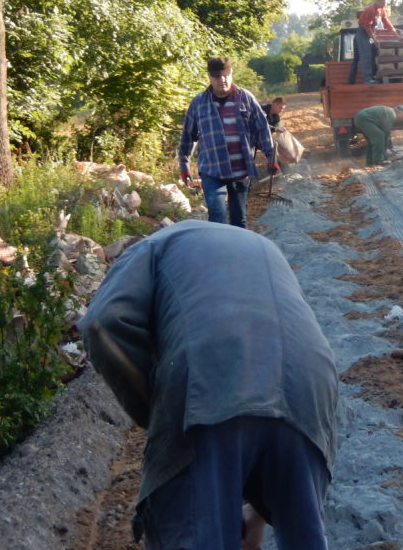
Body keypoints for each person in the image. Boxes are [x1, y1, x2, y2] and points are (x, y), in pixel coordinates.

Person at [79, 221, 338, 550]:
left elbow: (100, 323)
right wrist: (258, 513)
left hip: (208, 379)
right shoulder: (262, 246)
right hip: (311, 380)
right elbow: (271, 407)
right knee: (305, 536)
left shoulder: (151, 247)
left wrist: (152, 408)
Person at [179, 57, 277, 228]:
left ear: (231, 74)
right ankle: (219, 254)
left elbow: (261, 129)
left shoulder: (245, 98)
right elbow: (189, 135)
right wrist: (184, 165)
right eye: (217, 77)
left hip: (240, 170)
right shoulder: (198, 103)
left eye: (225, 75)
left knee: (239, 219)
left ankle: (239, 253)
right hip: (212, 169)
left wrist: (271, 157)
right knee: (217, 216)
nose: (222, 80)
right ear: (210, 77)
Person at [348, 0, 395, 84]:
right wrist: (375, 40)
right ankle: (367, 79)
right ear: (378, 0)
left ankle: (351, 82)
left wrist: (395, 33)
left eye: (386, 3)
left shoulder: (381, 10)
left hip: (365, 33)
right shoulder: (370, 10)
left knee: (358, 58)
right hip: (362, 33)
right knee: (366, 55)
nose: (384, 5)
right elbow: (367, 27)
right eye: (383, 3)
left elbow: (386, 22)